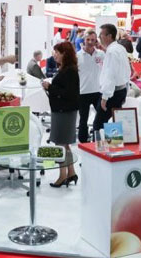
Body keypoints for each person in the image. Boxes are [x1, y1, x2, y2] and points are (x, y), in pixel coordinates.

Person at [41, 42, 79, 188]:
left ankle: (62, 175)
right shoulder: (66, 69)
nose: (54, 55)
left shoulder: (69, 71)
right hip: (62, 110)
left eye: (57, 52)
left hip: (64, 111)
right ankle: (71, 172)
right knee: (65, 144)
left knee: (60, 144)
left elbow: (68, 93)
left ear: (65, 54)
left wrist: (50, 87)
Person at [92, 24, 131, 133]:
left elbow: (110, 75)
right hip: (121, 90)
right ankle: (113, 142)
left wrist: (105, 97)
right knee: (114, 123)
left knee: (99, 125)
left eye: (101, 35)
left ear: (109, 36)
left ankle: (100, 143)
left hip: (112, 93)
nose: (99, 37)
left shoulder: (111, 52)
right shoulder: (120, 48)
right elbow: (126, 70)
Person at [76, 29, 105, 143]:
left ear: (96, 40)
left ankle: (98, 140)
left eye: (93, 40)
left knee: (101, 117)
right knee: (83, 119)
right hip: (83, 92)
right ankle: (83, 142)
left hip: (98, 91)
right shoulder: (77, 56)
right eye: (88, 39)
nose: (90, 42)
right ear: (84, 40)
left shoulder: (101, 54)